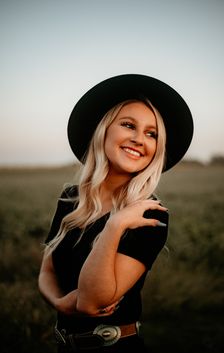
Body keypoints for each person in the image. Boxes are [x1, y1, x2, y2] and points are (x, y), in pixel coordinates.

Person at [38, 73, 194, 353]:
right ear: (104, 130)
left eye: (151, 133)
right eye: (128, 125)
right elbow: (47, 271)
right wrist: (59, 303)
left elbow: (91, 303)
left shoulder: (150, 214)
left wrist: (114, 225)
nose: (138, 139)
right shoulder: (71, 198)